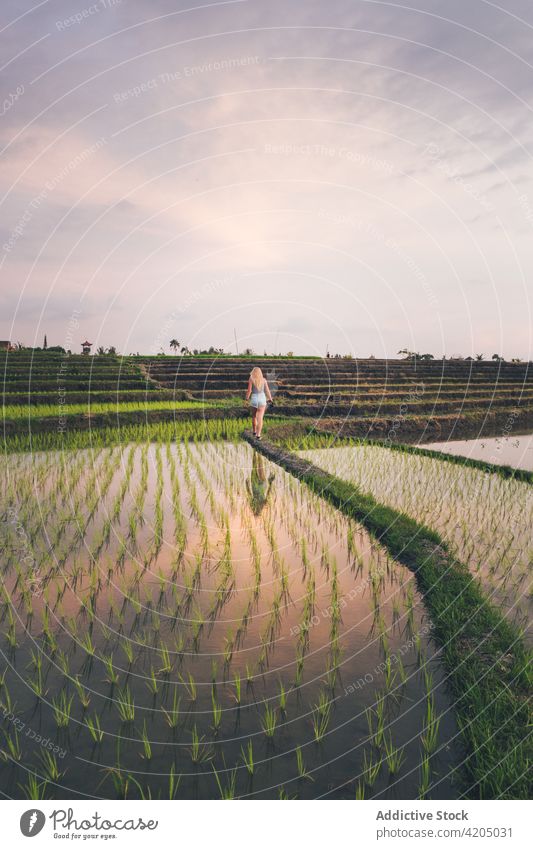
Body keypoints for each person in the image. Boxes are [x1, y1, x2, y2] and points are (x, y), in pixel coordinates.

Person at [245, 366, 273, 439]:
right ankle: (258, 435)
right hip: (262, 399)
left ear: (253, 372)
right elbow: (267, 391)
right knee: (260, 418)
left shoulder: (251, 379)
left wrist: (247, 398)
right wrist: (270, 399)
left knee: (254, 416)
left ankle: (254, 431)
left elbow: (249, 390)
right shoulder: (264, 380)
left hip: (254, 398)